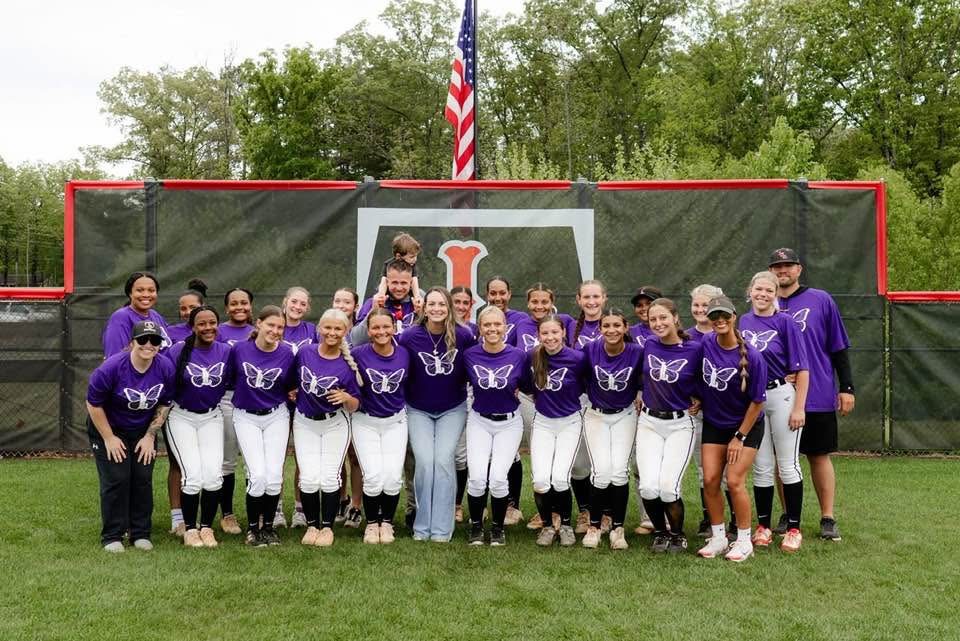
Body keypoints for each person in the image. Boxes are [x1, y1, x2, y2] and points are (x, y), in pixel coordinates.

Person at [769, 248, 854, 541]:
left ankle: (827, 516)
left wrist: (847, 387)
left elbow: (838, 347)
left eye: (788, 265)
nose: (783, 270)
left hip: (817, 392)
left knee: (818, 455)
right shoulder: (765, 303)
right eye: (777, 266)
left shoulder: (820, 299)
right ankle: (787, 513)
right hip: (779, 396)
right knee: (782, 459)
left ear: (799, 269)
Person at [87, 320, 174, 552]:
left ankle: (140, 533)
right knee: (117, 478)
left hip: (142, 430)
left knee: (142, 478)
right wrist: (109, 438)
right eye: (143, 339)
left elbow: (165, 403)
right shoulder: (111, 367)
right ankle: (112, 535)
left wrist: (150, 436)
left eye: (155, 340)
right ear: (132, 342)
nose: (149, 344)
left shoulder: (165, 367)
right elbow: (93, 404)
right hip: (109, 427)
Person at [740, 271, 809, 553]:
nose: (763, 294)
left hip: (781, 394)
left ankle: (793, 528)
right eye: (759, 289)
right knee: (762, 466)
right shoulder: (742, 321)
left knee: (788, 464)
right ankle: (763, 526)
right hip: (754, 398)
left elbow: (802, 369)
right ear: (750, 291)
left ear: (776, 294)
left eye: (770, 290)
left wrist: (799, 407)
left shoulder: (785, 321)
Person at [400, 287, 475, 542]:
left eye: (442, 304)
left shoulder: (464, 335)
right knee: (424, 462)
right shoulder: (410, 336)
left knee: (443, 460)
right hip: (418, 409)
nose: (436, 309)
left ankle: (442, 528)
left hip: (452, 409)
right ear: (423, 307)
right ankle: (422, 526)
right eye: (431, 304)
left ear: (449, 307)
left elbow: (475, 365)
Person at [696, 296, 768, 562]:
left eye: (724, 315)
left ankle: (744, 540)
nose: (720, 320)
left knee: (735, 481)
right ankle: (718, 537)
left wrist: (739, 437)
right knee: (710, 480)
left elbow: (758, 401)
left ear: (734, 317)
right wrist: (696, 398)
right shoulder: (706, 343)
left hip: (745, 427)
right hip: (715, 423)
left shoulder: (753, 357)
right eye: (714, 316)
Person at [635, 298, 703, 554]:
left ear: (675, 317)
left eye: (663, 317)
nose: (658, 323)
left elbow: (704, 379)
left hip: (680, 424)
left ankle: (677, 534)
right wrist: (639, 393)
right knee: (648, 487)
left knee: (668, 487)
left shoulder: (694, 348)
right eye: (653, 319)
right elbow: (640, 375)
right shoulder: (649, 344)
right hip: (649, 422)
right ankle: (660, 532)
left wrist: (701, 398)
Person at [292, 308, 362, 547]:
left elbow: (355, 404)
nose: (332, 332)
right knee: (309, 478)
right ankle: (312, 525)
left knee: (330, 477)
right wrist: (293, 392)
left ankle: (327, 528)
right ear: (319, 328)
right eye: (328, 327)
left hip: (335, 423)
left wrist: (346, 397)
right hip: (304, 422)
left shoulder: (348, 364)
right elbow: (292, 381)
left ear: (346, 331)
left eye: (338, 328)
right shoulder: (305, 352)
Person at [227, 305, 296, 547]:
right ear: (259, 324)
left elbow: (290, 385)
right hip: (246, 416)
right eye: (271, 325)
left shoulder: (287, 353)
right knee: (257, 475)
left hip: (276, 415)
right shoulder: (239, 349)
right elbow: (230, 379)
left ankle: (268, 527)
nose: (275, 331)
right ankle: (253, 528)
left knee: (274, 475)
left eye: (280, 327)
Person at [509, 282, 575, 530]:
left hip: (559, 396)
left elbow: (570, 355)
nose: (539, 306)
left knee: (560, 460)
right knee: (540, 456)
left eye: (544, 301)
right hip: (531, 396)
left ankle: (559, 513)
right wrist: (518, 385)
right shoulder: (520, 323)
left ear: (552, 302)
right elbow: (515, 355)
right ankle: (545, 513)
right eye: (534, 301)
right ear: (528, 303)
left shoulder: (565, 320)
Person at [165, 305, 231, 548]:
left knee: (213, 476)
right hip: (181, 416)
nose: (208, 327)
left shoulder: (225, 351)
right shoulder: (177, 351)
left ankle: (206, 527)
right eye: (202, 324)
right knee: (192, 476)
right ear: (192, 327)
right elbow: (163, 379)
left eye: (212, 322)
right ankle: (190, 529)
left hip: (211, 416)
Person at [463, 306, 527, 546]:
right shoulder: (470, 355)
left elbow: (528, 385)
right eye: (487, 325)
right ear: (480, 328)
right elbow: (458, 381)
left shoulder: (518, 355)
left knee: (499, 478)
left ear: (505, 327)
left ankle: (498, 529)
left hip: (509, 422)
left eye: (497, 324)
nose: (492, 329)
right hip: (479, 420)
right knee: (477, 478)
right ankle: (476, 527)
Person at [581, 308, 642, 550]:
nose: (612, 330)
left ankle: (618, 528)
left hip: (624, 415)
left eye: (617, 325)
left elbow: (646, 377)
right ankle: (594, 527)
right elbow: (579, 376)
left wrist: (641, 393)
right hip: (596, 414)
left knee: (619, 472)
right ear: (600, 328)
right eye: (606, 325)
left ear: (625, 328)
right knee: (600, 472)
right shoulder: (590, 349)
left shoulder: (636, 351)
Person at [526, 315, 588, 548]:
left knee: (560, 478)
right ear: (538, 335)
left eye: (555, 332)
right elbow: (525, 383)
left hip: (569, 422)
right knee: (541, 480)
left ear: (563, 333)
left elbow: (585, 384)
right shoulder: (532, 356)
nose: (550, 337)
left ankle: (565, 526)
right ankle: (547, 526)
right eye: (545, 333)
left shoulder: (577, 358)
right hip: (543, 422)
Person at [351, 308, 410, 544]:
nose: (381, 331)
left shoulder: (404, 353)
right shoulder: (357, 354)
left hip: (395, 421)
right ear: (368, 330)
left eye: (386, 326)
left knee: (393, 477)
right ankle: (371, 523)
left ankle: (386, 522)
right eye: (375, 327)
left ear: (394, 328)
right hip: (365, 421)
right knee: (374, 476)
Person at [483, 276, 528, 526]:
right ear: (487, 295)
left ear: (509, 294)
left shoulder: (520, 320)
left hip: (512, 391)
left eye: (502, 293)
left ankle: (512, 505)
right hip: (486, 392)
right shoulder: (482, 318)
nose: (498, 297)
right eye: (493, 293)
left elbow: (520, 352)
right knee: (485, 453)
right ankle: (486, 504)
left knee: (511, 454)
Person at [569, 280, 608, 534]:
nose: (591, 302)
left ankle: (606, 514)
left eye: (596, 296)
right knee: (578, 464)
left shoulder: (613, 324)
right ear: (578, 300)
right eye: (586, 297)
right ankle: (585, 511)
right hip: (577, 400)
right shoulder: (569, 325)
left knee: (604, 463)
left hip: (606, 401)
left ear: (604, 298)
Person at [215, 287, 254, 535]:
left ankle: (256, 515)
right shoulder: (218, 331)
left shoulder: (258, 330)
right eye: (234, 303)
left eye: (244, 302)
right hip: (227, 398)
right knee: (227, 460)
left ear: (251, 306)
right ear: (226, 308)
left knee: (253, 461)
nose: (239, 307)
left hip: (253, 398)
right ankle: (227, 514)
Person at [686, 283, 724, 537]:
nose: (700, 309)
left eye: (706, 305)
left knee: (728, 473)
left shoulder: (726, 333)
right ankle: (708, 518)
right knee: (704, 470)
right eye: (696, 304)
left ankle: (734, 522)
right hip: (696, 412)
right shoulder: (686, 336)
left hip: (724, 412)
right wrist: (693, 396)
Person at [279, 286, 317, 529]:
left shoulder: (312, 330)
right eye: (294, 301)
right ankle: (275, 508)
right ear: (285, 301)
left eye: (303, 303)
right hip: (277, 399)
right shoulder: (274, 325)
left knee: (303, 457)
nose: (297, 307)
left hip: (304, 400)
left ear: (308, 307)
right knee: (278, 457)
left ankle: (300, 509)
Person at [332, 287, 364, 527]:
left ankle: (356, 505)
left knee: (355, 456)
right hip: (333, 399)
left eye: (347, 302)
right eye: (337, 301)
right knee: (339, 455)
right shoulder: (327, 328)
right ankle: (341, 500)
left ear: (355, 306)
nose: (341, 305)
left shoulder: (361, 332)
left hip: (357, 399)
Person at [450, 285, 476, 522]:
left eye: (464, 302)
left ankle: (457, 504)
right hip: (444, 396)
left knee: (461, 455)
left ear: (471, 305)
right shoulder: (439, 328)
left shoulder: (474, 331)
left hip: (468, 395)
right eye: (456, 301)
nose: (460, 306)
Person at [102, 272, 171, 357]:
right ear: (130, 293)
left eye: (151, 290)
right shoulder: (121, 317)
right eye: (139, 290)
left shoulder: (156, 315)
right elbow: (115, 357)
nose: (146, 295)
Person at [351, 259, 418, 345]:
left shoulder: (419, 304)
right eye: (394, 283)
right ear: (387, 282)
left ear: (411, 283)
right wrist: (373, 311)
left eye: (403, 283)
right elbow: (356, 340)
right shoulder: (373, 303)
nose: (399, 288)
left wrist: (421, 314)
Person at [375, 232, 423, 309]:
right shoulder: (388, 264)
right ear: (398, 256)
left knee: (419, 292)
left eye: (416, 256)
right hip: (388, 292)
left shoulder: (412, 265)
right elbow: (384, 280)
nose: (415, 259)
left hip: (408, 293)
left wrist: (417, 296)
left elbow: (414, 281)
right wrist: (381, 294)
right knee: (380, 288)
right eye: (411, 257)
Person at [167, 279, 207, 344]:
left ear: (203, 306)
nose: (188, 312)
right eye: (183, 309)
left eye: (193, 307)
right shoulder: (170, 331)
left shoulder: (213, 330)